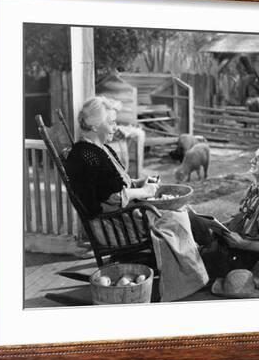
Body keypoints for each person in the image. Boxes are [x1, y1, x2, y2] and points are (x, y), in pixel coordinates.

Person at [65, 96, 217, 301]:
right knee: (178, 217)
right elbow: (111, 197)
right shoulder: (86, 155)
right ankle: (203, 265)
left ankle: (208, 253)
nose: (115, 127)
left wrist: (140, 182)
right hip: (117, 225)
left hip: (126, 214)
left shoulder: (101, 149)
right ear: (94, 125)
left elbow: (118, 183)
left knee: (185, 211)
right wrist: (144, 192)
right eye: (111, 122)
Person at [219, 144, 259, 273]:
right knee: (196, 224)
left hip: (241, 256)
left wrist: (241, 244)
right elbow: (242, 216)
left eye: (258, 159)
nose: (252, 161)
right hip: (233, 243)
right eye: (254, 157)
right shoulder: (255, 187)